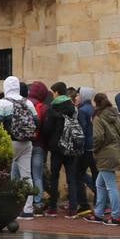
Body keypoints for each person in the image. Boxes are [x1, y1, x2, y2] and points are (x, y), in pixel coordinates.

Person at [0, 76, 38, 219]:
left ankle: (7, 207)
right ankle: (28, 210)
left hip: (10, 142)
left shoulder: (3, 103)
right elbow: (37, 121)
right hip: (27, 143)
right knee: (27, 176)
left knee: (4, 175)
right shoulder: (28, 102)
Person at [43, 83, 85, 217]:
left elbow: (47, 129)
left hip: (57, 148)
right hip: (71, 147)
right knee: (71, 177)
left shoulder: (53, 107)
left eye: (53, 92)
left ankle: (53, 208)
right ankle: (73, 208)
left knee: (54, 177)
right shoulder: (73, 107)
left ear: (56, 92)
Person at [89, 93, 120, 225]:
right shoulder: (114, 115)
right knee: (100, 184)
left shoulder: (98, 117)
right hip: (116, 151)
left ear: (96, 103)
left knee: (111, 186)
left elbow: (98, 137)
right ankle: (98, 213)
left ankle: (115, 216)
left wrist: (95, 149)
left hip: (105, 154)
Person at [27, 80, 52, 215]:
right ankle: (38, 202)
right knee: (37, 175)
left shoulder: (24, 103)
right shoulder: (44, 107)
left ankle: (26, 201)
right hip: (39, 145)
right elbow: (47, 129)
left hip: (24, 143)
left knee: (26, 174)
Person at [77, 88, 100, 215]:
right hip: (96, 147)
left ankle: (84, 204)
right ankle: (100, 203)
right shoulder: (95, 110)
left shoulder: (82, 110)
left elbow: (83, 130)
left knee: (78, 175)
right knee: (97, 176)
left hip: (86, 148)